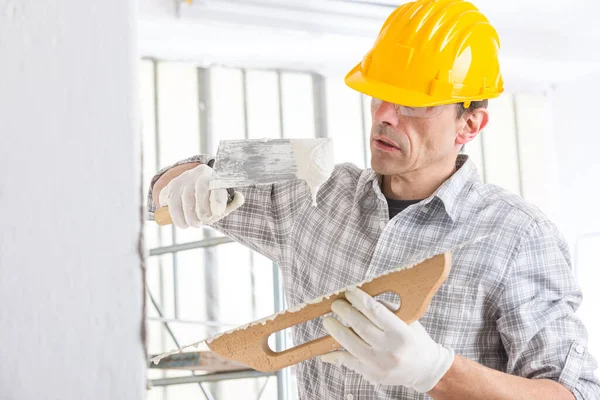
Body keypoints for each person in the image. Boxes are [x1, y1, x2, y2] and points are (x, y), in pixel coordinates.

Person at [148, 0, 600, 398]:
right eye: (379, 95)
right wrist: (185, 180)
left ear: (470, 125)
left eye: (413, 105)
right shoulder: (314, 191)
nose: (384, 116)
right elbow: (167, 182)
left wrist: (436, 372)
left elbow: (573, 394)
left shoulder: (518, 236)